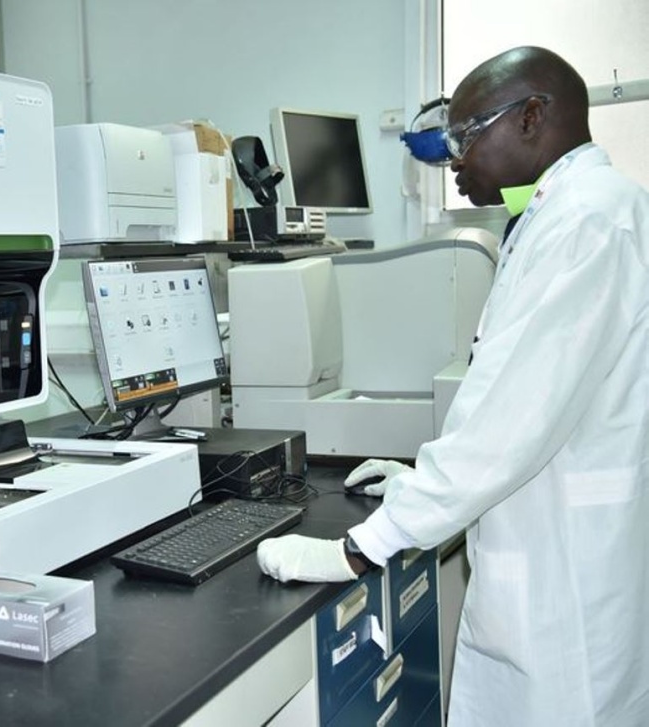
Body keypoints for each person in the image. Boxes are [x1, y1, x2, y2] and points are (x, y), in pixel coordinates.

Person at [257, 46, 649, 726]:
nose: (455, 160)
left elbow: (514, 419)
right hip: (553, 543)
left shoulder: (587, 222)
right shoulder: (562, 212)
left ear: (531, 117)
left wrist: (357, 548)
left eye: (467, 137)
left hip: (567, 582)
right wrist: (416, 483)